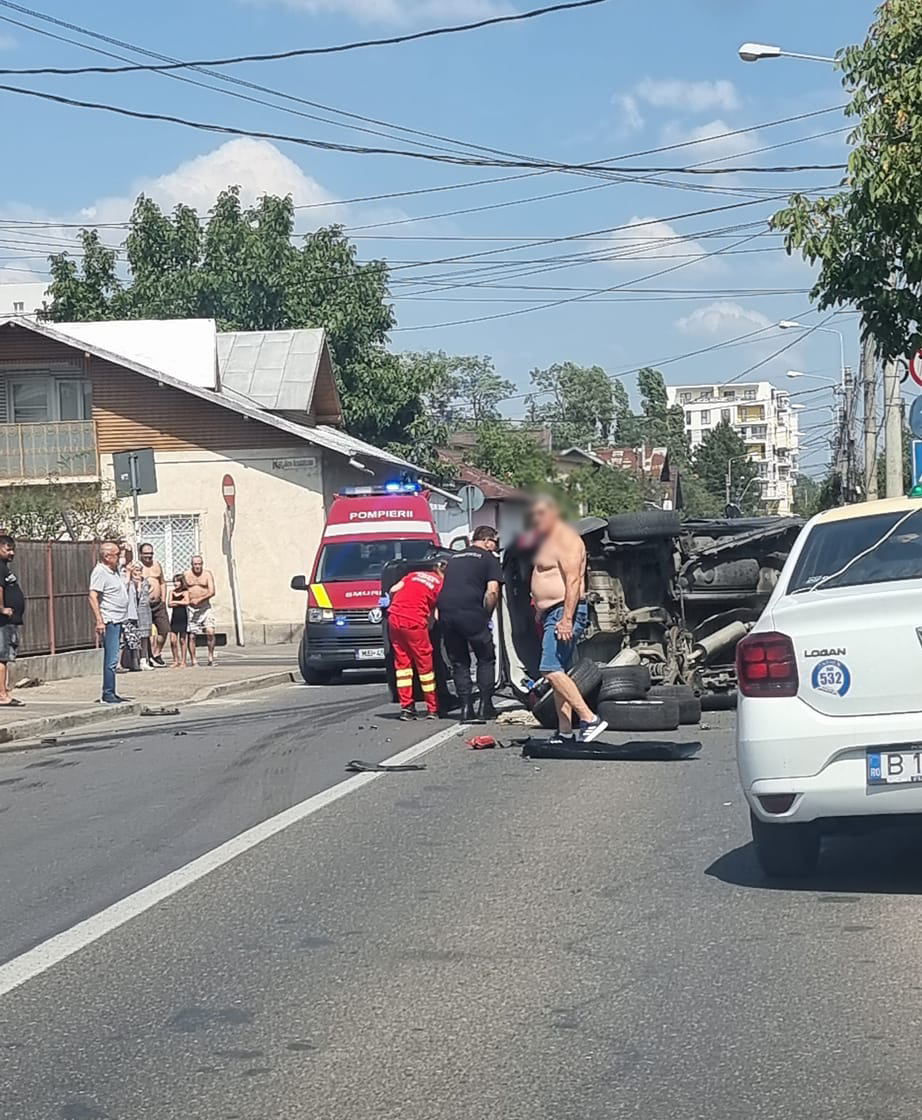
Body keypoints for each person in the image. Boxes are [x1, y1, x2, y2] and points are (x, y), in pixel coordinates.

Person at [530, 495, 607, 744]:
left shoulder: (566, 540)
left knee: (549, 669)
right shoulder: (549, 540)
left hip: (564, 611)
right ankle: (565, 731)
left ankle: (589, 718)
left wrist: (566, 618)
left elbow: (573, 581)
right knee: (558, 673)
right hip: (552, 612)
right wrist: (540, 607)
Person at [437, 525, 503, 723]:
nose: (495, 547)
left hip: (447, 612)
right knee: (485, 657)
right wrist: (487, 615)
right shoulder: (489, 558)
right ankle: (485, 706)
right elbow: (492, 591)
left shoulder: (454, 558)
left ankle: (466, 709)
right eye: (494, 542)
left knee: (459, 661)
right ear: (487, 540)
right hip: (471, 612)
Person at [386, 559, 445, 720]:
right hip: (414, 622)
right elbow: (436, 616)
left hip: (395, 618)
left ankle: (407, 708)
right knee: (425, 665)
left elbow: (392, 589)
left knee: (403, 665)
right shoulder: (440, 584)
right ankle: (432, 708)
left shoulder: (413, 575)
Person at [89, 540, 130, 704]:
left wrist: (127, 550)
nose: (118, 557)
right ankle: (107, 693)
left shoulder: (114, 570)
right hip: (110, 619)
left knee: (114, 657)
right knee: (111, 659)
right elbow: (93, 596)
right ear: (106, 556)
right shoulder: (100, 572)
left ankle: (112, 691)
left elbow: (127, 560)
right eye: (116, 555)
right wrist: (99, 620)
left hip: (120, 618)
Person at [0, 535, 25, 708]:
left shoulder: (4, 568)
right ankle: (2, 694)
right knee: (2, 658)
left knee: (5, 658)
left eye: (12, 549)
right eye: (7, 549)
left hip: (11, 621)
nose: (12, 553)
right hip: (3, 621)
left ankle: (4, 691)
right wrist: (2, 608)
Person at [184, 555, 216, 666]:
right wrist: (189, 600)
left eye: (199, 564)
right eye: (195, 564)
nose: (197, 566)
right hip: (191, 608)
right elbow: (182, 590)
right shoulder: (186, 574)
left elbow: (212, 591)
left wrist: (200, 599)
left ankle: (211, 657)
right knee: (192, 635)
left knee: (210, 632)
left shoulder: (207, 574)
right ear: (191, 564)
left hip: (205, 607)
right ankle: (194, 660)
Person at [138, 543, 168, 665]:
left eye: (150, 553)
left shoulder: (157, 565)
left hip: (158, 603)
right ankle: (148, 656)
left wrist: (164, 599)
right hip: (145, 604)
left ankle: (157, 653)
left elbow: (162, 582)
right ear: (141, 554)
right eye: (146, 554)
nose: (148, 556)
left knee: (164, 629)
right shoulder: (138, 566)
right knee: (147, 632)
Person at [169, 574, 193, 668]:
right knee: (173, 640)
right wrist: (179, 602)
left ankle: (183, 661)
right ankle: (175, 660)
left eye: (177, 581)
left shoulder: (185, 592)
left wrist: (176, 602)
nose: (175, 583)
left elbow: (187, 602)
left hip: (183, 617)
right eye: (174, 581)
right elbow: (169, 604)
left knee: (183, 640)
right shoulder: (171, 592)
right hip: (174, 617)